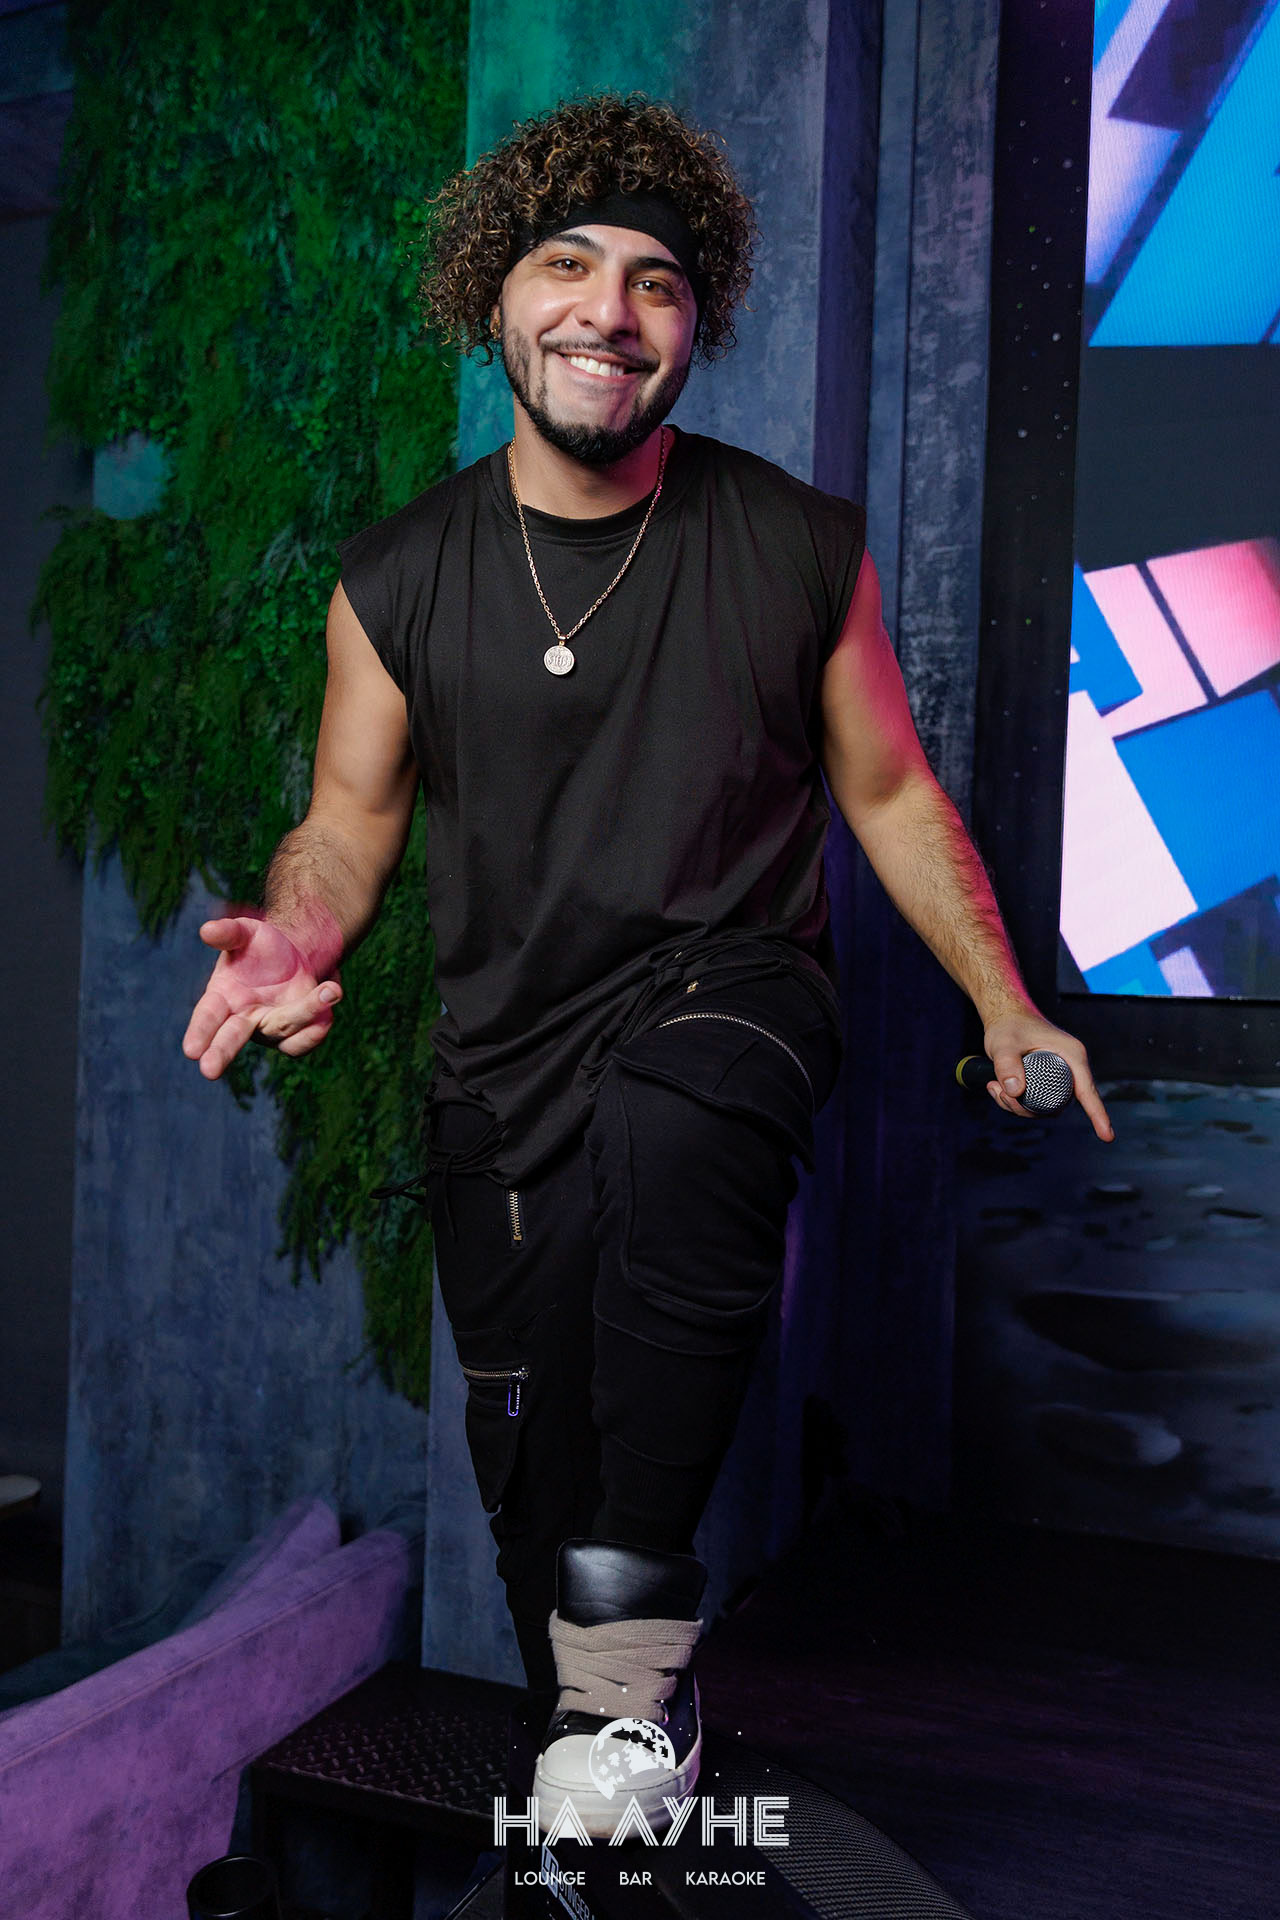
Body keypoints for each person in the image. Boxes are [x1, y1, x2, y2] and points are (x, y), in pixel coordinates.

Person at [182, 93, 1113, 1837]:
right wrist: (292, 931)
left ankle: (613, 1695)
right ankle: (617, 1723)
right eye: (568, 265)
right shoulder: (397, 579)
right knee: (536, 1483)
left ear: (696, 322)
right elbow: (345, 829)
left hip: (732, 1000)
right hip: (505, 1070)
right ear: (497, 294)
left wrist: (1003, 996)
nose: (610, 311)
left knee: (681, 1110)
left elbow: (890, 791)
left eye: (657, 282)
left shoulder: (792, 543)